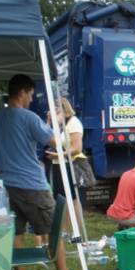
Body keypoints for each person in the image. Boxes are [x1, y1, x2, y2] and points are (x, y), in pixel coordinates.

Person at [0, 74, 78, 270]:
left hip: (6, 186)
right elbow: (53, 140)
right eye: (30, 94)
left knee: (15, 232)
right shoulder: (28, 117)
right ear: (22, 92)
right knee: (53, 231)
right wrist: (56, 121)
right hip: (32, 185)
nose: (31, 98)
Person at [44, 97, 87, 244]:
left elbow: (77, 148)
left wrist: (58, 154)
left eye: (55, 110)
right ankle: (68, 232)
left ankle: (78, 232)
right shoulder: (59, 124)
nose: (52, 112)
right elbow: (47, 138)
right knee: (61, 200)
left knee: (73, 200)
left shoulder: (74, 123)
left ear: (62, 109)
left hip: (69, 164)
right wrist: (49, 122)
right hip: (57, 165)